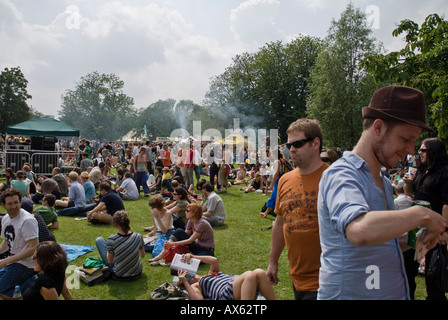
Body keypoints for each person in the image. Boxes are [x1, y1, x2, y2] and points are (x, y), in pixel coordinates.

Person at [317, 85, 446, 300]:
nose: (411, 150)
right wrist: (421, 215)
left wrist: (416, 238)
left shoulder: (383, 182)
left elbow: (381, 240)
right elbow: (360, 231)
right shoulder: (342, 174)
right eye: (405, 139)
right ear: (378, 127)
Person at [266, 118, 328, 300]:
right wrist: (273, 262)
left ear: (315, 143)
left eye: (298, 144)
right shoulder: (285, 180)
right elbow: (280, 223)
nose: (291, 149)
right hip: (297, 277)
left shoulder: (333, 178)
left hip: (327, 281)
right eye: (289, 145)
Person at [403, 137, 448, 300]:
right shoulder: (422, 169)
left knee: (433, 274)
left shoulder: (444, 172)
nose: (419, 153)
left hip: (434, 229)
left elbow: (446, 204)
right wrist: (408, 182)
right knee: (408, 269)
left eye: (423, 150)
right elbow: (411, 192)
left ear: (433, 152)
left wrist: (443, 230)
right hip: (417, 227)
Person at [176, 253, 276, 300]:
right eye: (189, 275)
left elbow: (214, 260)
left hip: (235, 288)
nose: (194, 274)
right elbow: (198, 299)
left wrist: (193, 257)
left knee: (260, 272)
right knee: (250, 274)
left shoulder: (211, 273)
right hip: (223, 294)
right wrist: (184, 281)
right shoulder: (197, 285)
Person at [0, 189, 39, 297]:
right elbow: (7, 242)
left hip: (26, 264)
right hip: (12, 262)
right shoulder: (6, 218)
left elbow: (33, 247)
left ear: (20, 202)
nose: (14, 206)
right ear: (3, 205)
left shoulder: (27, 220)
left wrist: (5, 261)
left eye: (16, 202)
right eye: (10, 204)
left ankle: (32, 282)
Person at [149, 203, 215, 262]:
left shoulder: (202, 223)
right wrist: (170, 242)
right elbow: (185, 234)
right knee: (179, 231)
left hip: (207, 249)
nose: (185, 212)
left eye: (187, 211)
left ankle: (185, 257)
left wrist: (172, 244)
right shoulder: (191, 221)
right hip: (197, 246)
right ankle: (161, 255)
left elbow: (190, 240)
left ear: (194, 213)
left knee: (193, 262)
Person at [95, 210, 145, 281]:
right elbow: (142, 255)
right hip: (137, 273)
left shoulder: (112, 239)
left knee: (99, 240)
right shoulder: (138, 236)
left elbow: (110, 261)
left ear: (115, 224)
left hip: (119, 275)